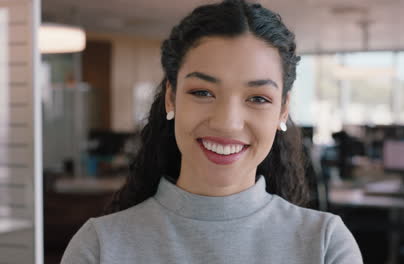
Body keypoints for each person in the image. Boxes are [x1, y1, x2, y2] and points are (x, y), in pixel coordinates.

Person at [61, 1, 363, 263]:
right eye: (203, 92)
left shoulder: (325, 244)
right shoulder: (100, 247)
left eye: (258, 98)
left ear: (282, 110)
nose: (227, 123)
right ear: (171, 97)